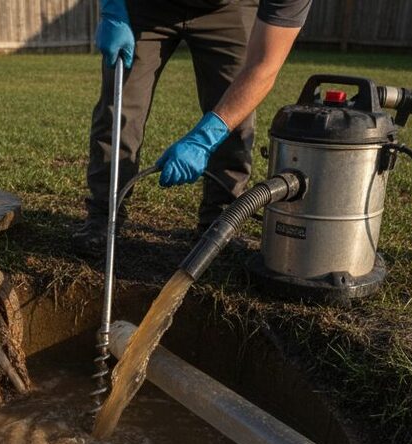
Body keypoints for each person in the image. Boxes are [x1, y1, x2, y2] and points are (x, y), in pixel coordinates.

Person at [73, 0, 312, 254]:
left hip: (231, 7)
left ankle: (220, 222)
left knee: (235, 116)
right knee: (119, 108)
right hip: (146, 7)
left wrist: (206, 138)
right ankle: (104, 216)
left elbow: (263, 66)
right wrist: (114, 9)